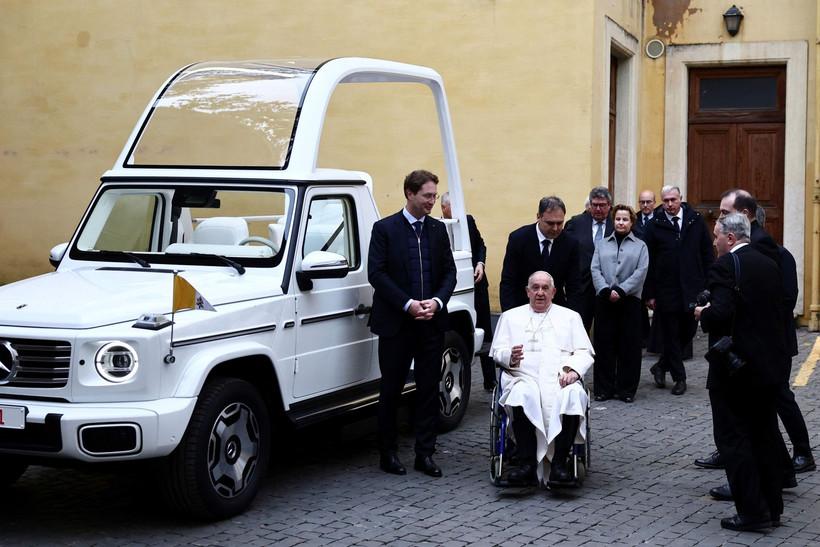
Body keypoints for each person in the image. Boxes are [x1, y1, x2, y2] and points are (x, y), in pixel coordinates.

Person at [694, 191, 815, 474]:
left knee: (773, 399)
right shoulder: (755, 245)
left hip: (760, 341)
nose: (719, 218)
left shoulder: (761, 247)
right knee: (762, 406)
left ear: (743, 216)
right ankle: (765, 463)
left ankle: (798, 453)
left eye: (724, 213)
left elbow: (775, 297)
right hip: (759, 340)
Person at [694, 213, 788, 531]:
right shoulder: (769, 262)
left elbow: (720, 313)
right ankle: (772, 507)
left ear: (730, 238)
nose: (715, 241)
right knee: (763, 437)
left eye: (717, 236)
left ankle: (752, 511)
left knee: (734, 440)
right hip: (767, 367)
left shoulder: (725, 266)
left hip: (734, 371)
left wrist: (702, 314)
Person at [368, 169, 456, 477]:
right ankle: (388, 453)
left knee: (429, 389)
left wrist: (437, 302)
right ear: (409, 193)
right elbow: (376, 274)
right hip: (396, 324)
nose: (433, 201)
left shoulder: (437, 230)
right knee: (391, 390)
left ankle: (425, 453)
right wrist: (408, 305)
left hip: (431, 323)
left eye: (434, 195)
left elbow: (449, 273)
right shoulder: (384, 229)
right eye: (427, 196)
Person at [490, 271, 593, 485]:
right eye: (535, 288)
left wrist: (573, 371)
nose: (540, 292)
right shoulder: (510, 317)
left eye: (545, 288)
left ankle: (559, 465)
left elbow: (585, 351)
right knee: (521, 394)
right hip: (523, 377)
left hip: (559, 379)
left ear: (554, 292)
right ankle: (526, 464)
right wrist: (510, 356)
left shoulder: (570, 317)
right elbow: (497, 351)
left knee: (574, 395)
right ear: (527, 292)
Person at [643, 185, 713, 395]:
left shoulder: (695, 220)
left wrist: (710, 284)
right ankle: (680, 377)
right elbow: (649, 261)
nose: (670, 204)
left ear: (681, 198)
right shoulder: (655, 224)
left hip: (692, 286)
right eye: (666, 201)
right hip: (666, 289)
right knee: (672, 334)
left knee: (688, 331)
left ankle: (661, 365)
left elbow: (707, 253)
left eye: (673, 200)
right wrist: (650, 292)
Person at [590, 205, 648, 402]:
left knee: (629, 347)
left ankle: (626, 389)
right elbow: (594, 268)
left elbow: (641, 272)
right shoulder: (602, 244)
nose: (621, 223)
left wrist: (622, 290)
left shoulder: (640, 246)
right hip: (605, 300)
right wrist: (605, 289)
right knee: (604, 345)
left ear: (632, 222)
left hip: (629, 301)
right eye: (618, 219)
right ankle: (603, 389)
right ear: (612, 221)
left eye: (625, 219)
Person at [441, 192, 495, 391]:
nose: (459, 212)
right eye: (455, 208)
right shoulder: (437, 225)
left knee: (486, 332)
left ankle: (490, 380)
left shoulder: (468, 221)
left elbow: (480, 245)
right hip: (454, 289)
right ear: (444, 208)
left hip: (477, 283)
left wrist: (480, 263)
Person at [499, 196, 582, 314]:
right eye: (550, 223)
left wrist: (571, 316)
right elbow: (508, 281)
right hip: (522, 308)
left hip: (556, 310)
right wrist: (510, 314)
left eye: (560, 223)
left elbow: (574, 286)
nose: (555, 228)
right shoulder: (518, 239)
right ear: (538, 216)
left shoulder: (570, 243)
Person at [564, 187, 614, 330]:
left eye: (602, 205)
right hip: (582, 286)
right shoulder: (576, 223)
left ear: (609, 205)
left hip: (608, 286)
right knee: (580, 327)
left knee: (606, 330)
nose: (598, 209)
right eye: (595, 205)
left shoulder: (617, 223)